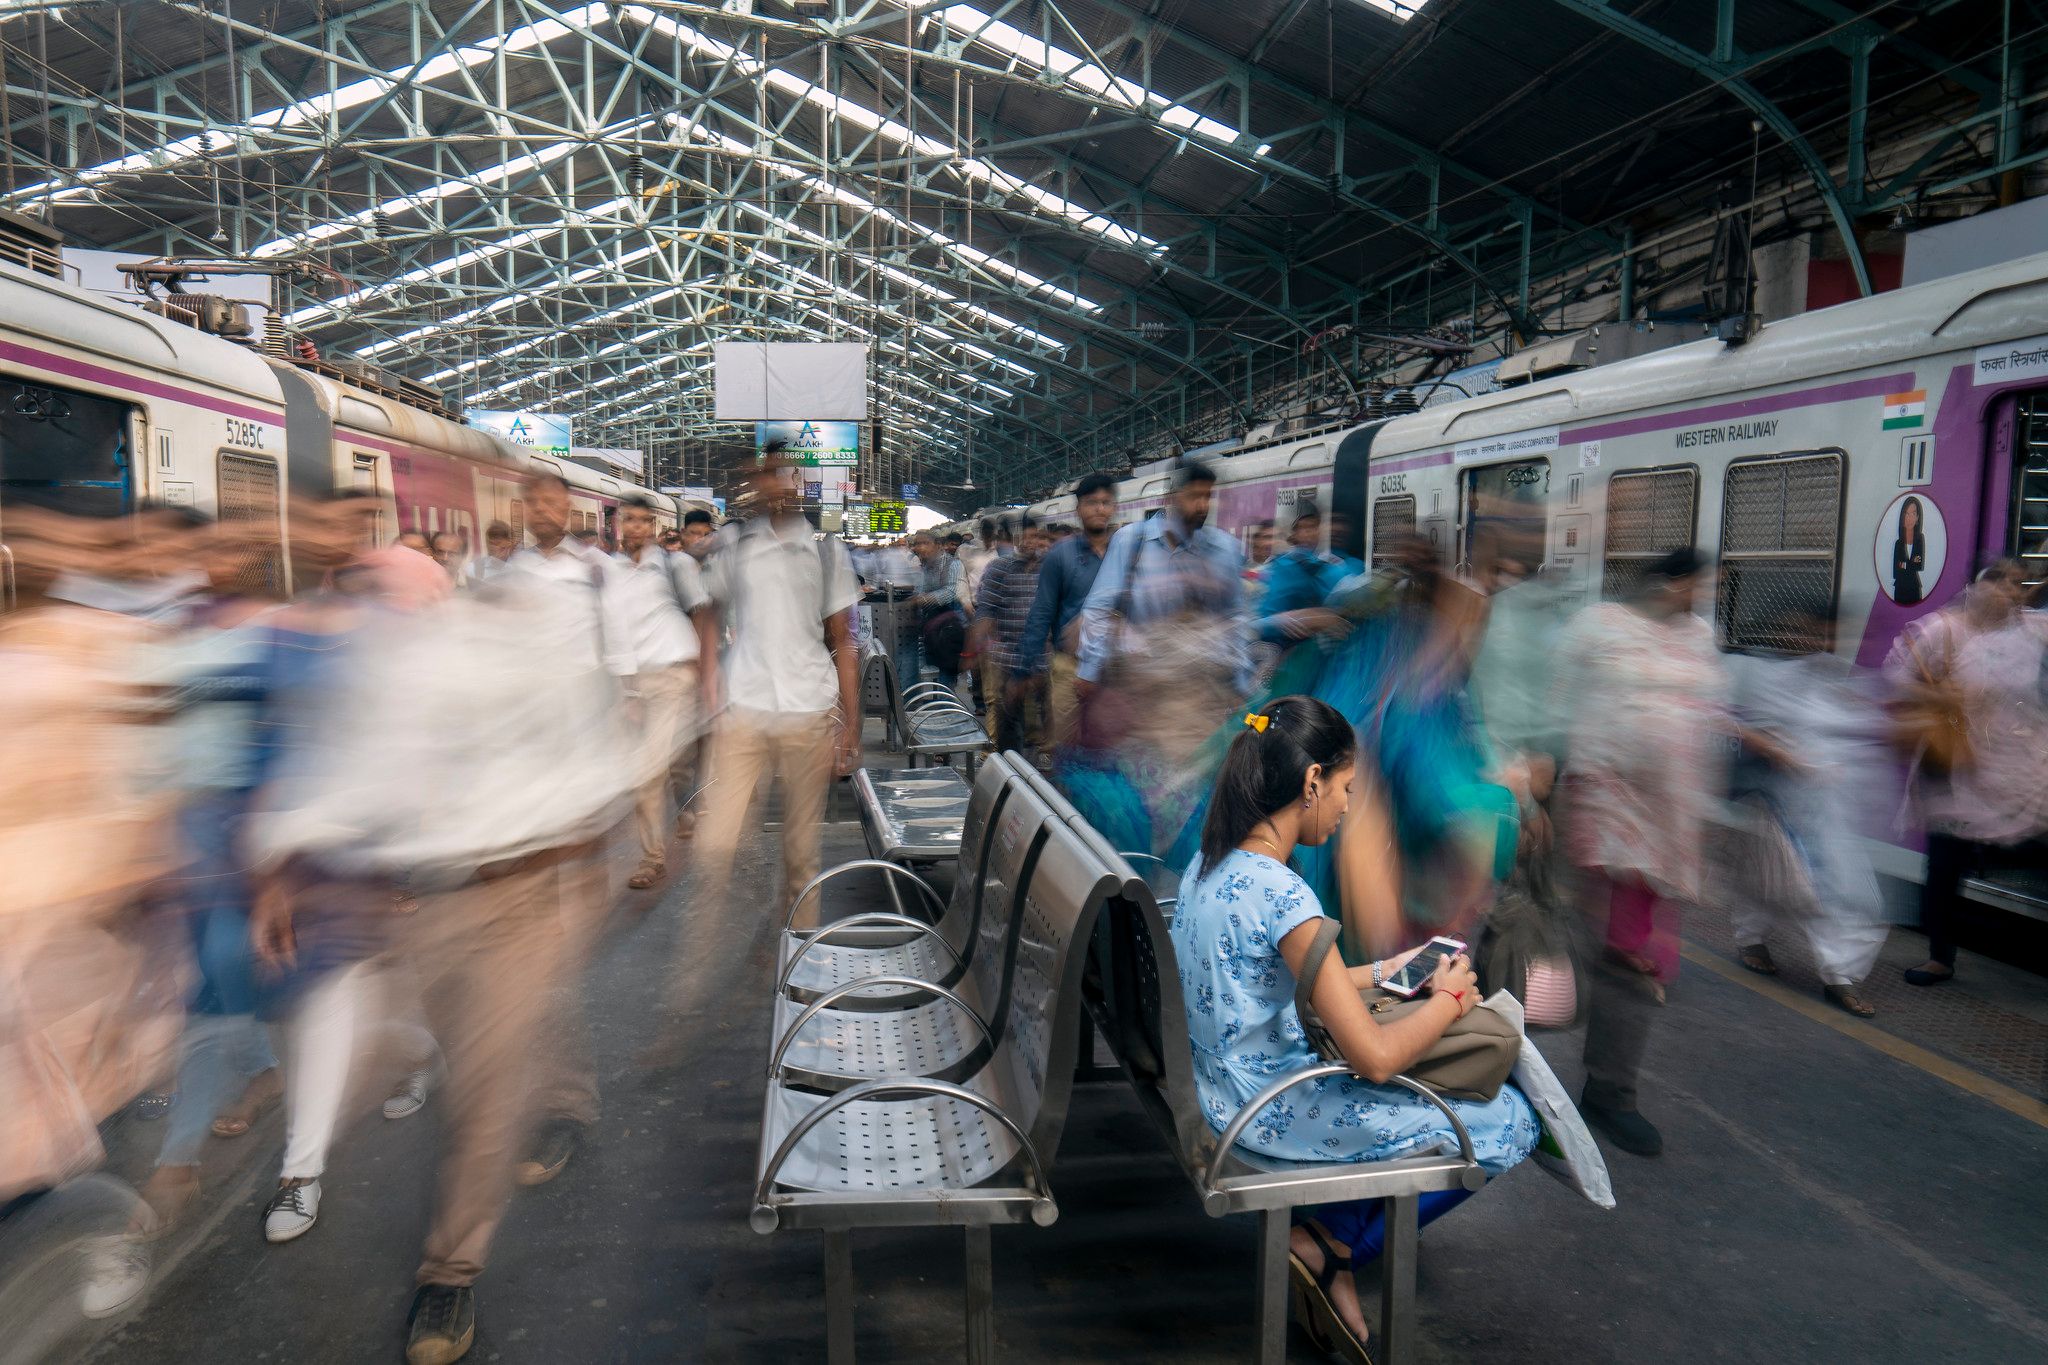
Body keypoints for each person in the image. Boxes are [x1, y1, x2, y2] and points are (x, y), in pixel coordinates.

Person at [1169, 696, 1537, 1362]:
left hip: (1217, 1088)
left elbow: (1266, 977)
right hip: (1270, 1111)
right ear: (1311, 782)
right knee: (1509, 1118)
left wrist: (1385, 971)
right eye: (1344, 789)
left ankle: (1327, 1241)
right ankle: (1330, 1245)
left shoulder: (1209, 864)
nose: (1345, 809)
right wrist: (1450, 999)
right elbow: (1373, 1057)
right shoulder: (1284, 893)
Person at [1552, 548, 1753, 1157]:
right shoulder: (1598, 627)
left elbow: (1709, 718)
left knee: (1628, 958)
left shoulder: (1698, 637)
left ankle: (1606, 1090)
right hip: (1601, 811)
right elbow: (1555, 707)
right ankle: (1595, 1092)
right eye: (1695, 584)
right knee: (1604, 954)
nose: (1698, 597)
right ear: (1668, 582)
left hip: (1666, 826)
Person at [684, 448, 862, 946]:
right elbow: (709, 612)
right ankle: (705, 943)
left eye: (784, 472)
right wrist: (708, 681)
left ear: (798, 480)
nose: (774, 483)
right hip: (744, 707)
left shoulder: (827, 552)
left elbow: (843, 638)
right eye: (765, 474)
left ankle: (799, 949)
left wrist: (851, 721)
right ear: (755, 482)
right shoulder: (737, 547)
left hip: (808, 708)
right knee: (715, 841)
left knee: (801, 847)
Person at [1071, 460, 1249, 853]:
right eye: (1194, 496)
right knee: (1146, 805)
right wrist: (1091, 670)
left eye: (1208, 497)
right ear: (1172, 497)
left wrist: (1240, 683)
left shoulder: (1223, 550)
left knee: (1196, 808)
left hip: (1200, 706)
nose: (1202, 505)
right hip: (1142, 704)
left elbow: (1236, 620)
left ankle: (1179, 888)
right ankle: (1144, 883)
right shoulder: (1133, 542)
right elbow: (1099, 611)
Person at [1886, 559, 2048, 986]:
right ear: (1976, 586)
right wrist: (1940, 698)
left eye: (2017, 585)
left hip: (2018, 766)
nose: (2011, 592)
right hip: (1955, 761)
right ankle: (1940, 955)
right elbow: (1897, 678)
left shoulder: (2029, 631)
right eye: (2002, 582)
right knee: (1946, 861)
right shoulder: (1943, 629)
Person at [612, 495, 719, 890]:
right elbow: (612, 628)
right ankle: (682, 813)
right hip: (632, 682)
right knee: (652, 769)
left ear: (654, 525)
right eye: (629, 520)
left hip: (674, 678)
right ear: (619, 524)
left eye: (643, 520)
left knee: (647, 771)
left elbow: (703, 615)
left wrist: (706, 677)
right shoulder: (611, 571)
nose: (636, 527)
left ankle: (651, 858)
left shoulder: (676, 566)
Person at [1016, 473, 1117, 750]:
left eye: (1106, 502)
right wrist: (1025, 667)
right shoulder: (1061, 555)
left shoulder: (1123, 552)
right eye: (1091, 502)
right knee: (1066, 746)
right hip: (1069, 668)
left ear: (1114, 507)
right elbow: (1043, 610)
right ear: (1078, 509)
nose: (1099, 509)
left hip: (1114, 670)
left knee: (1109, 749)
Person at [974, 516, 1050, 754]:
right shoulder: (999, 568)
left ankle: (1041, 774)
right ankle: (1010, 771)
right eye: (1024, 537)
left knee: (1044, 718)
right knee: (1007, 717)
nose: (1030, 542)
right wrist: (976, 647)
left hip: (1042, 656)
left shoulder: (1050, 569)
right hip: (1006, 656)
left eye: (1035, 536)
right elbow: (985, 609)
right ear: (1015, 540)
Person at [906, 528, 967, 697]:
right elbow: (920, 590)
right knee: (932, 668)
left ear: (938, 545)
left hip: (949, 628)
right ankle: (936, 705)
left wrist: (923, 599)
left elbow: (952, 591)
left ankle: (943, 707)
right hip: (930, 627)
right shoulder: (925, 566)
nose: (920, 547)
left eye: (924, 543)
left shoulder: (953, 564)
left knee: (946, 673)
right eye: (917, 544)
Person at [1892, 496, 1927, 606]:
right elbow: (1896, 570)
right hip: (1900, 587)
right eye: (1907, 514)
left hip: (1914, 587)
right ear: (1902, 517)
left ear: (1917, 518)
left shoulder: (1920, 539)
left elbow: (1919, 566)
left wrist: (1904, 565)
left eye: (1913, 514)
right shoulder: (1898, 543)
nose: (1910, 518)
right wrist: (1911, 563)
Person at [461, 521, 515, 589]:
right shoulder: (474, 568)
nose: (493, 548)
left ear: (509, 544)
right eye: (490, 543)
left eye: (498, 543)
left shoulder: (518, 568)